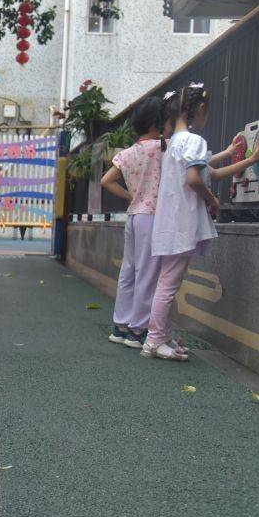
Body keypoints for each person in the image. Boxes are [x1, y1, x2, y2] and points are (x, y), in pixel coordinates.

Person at [144, 84, 259, 361]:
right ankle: (153, 341)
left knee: (167, 281)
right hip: (182, 223)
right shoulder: (194, 141)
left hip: (170, 222)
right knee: (169, 283)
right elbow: (196, 179)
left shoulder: (175, 142)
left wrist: (244, 157)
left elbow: (209, 170)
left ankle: (162, 336)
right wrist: (212, 200)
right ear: (200, 109)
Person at [100, 97, 165, 349]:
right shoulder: (163, 148)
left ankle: (121, 325)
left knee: (129, 270)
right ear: (157, 122)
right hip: (152, 215)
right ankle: (137, 331)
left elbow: (106, 180)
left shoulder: (127, 153)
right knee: (148, 273)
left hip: (134, 213)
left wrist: (131, 196)